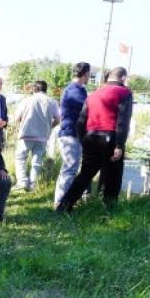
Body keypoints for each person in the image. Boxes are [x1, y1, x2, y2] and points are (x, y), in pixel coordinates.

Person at [57, 67, 133, 211]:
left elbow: (81, 120)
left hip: (90, 137)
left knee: (85, 174)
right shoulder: (124, 93)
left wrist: (82, 139)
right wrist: (119, 145)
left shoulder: (93, 94)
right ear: (123, 78)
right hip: (110, 136)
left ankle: (64, 206)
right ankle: (109, 209)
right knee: (113, 176)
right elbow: (124, 120)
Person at [54, 62, 91, 206]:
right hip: (70, 134)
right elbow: (89, 108)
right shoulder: (74, 91)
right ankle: (60, 202)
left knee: (72, 168)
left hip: (76, 134)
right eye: (89, 75)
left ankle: (66, 201)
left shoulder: (80, 89)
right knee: (69, 169)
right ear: (86, 74)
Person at [13, 80, 61, 191]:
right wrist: (50, 127)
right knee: (37, 160)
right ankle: (33, 184)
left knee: (21, 157)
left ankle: (22, 182)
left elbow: (16, 117)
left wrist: (20, 126)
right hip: (43, 135)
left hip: (26, 133)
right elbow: (58, 119)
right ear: (45, 89)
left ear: (34, 89)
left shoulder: (27, 100)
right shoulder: (52, 102)